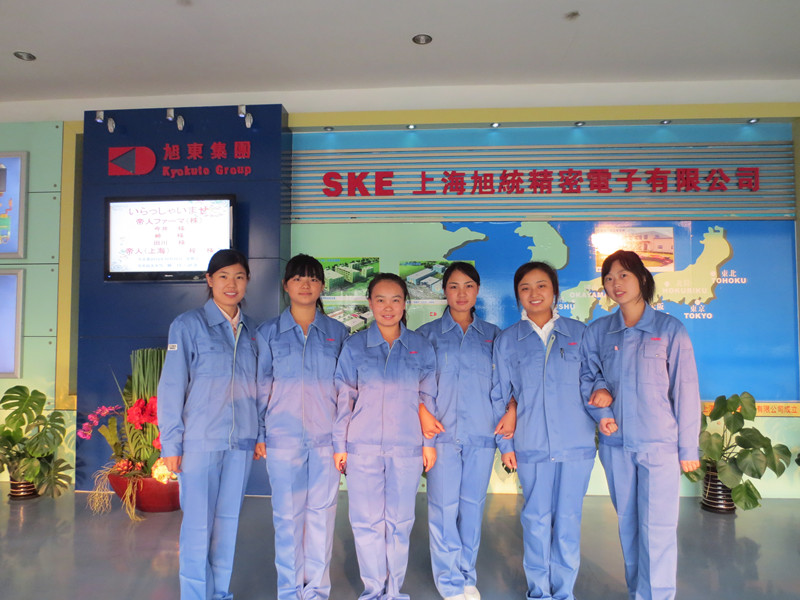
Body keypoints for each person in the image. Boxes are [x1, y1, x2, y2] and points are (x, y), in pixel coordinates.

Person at [580, 249, 701, 600]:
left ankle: (658, 595)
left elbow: (686, 390)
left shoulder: (670, 330)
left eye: (624, 275)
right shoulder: (599, 332)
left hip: (659, 446)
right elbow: (588, 376)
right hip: (616, 446)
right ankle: (639, 592)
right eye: (609, 277)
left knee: (658, 528)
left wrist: (688, 449)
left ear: (643, 279)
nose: (615, 283)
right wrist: (602, 410)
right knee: (629, 525)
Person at [491, 261, 604, 600]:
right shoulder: (508, 340)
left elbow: (595, 381)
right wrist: (505, 444)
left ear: (555, 291)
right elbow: (500, 395)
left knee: (568, 521)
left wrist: (605, 412)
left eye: (541, 285)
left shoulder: (580, 334)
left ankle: (564, 592)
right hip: (532, 445)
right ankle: (539, 592)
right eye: (525, 288)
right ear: (517, 296)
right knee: (536, 520)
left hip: (575, 446)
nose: (534, 293)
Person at [157, 249, 263, 600]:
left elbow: (260, 388)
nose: (232, 284)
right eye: (223, 276)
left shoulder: (253, 331)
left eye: (239, 277)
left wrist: (258, 434)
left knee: (227, 524)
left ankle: (220, 594)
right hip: (199, 442)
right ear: (209, 280)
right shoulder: (188, 325)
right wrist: (171, 444)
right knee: (197, 527)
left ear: (247, 281)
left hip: (240, 443)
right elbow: (172, 386)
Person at [333, 273, 437, 600]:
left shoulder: (420, 347)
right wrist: (339, 445)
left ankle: (394, 591)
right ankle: (373, 590)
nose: (388, 307)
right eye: (380, 300)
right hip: (362, 448)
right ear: (370, 303)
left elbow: (428, 399)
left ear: (405, 304)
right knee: (366, 523)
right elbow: (344, 398)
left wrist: (429, 444)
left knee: (400, 522)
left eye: (395, 300)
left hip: (407, 449)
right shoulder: (354, 347)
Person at [255, 254, 349, 600]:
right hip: (283, 440)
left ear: (322, 286)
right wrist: (260, 434)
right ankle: (290, 591)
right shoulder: (268, 333)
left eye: (312, 279)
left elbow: (345, 391)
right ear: (286, 285)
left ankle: (317, 591)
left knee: (322, 518)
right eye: (298, 278)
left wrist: (343, 441)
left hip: (326, 442)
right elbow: (260, 387)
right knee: (288, 518)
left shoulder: (339, 333)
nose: (305, 285)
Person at [415, 262, 505, 600]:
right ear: (444, 291)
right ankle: (449, 582)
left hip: (481, 436)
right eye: (454, 286)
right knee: (442, 509)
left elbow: (504, 386)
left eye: (468, 286)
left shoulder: (493, 336)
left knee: (472, 508)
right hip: (441, 437)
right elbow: (414, 383)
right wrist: (423, 415)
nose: (461, 293)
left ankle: (467, 575)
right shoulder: (427, 335)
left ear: (477, 290)